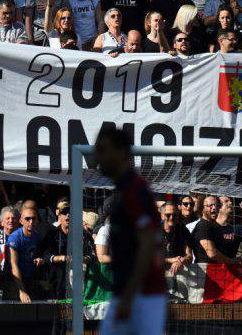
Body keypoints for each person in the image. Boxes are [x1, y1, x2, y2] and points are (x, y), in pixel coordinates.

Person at [95, 128, 166, 335]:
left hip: (142, 297)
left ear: (121, 152)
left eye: (102, 150)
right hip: (130, 294)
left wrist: (128, 296)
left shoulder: (135, 191)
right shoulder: (124, 190)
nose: (97, 156)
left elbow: (148, 245)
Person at [7, 206, 43, 302]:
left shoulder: (37, 236)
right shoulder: (15, 238)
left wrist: (40, 258)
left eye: (34, 218)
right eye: (27, 219)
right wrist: (22, 290)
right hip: (15, 282)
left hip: (31, 279)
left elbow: (38, 254)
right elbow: (13, 264)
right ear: (21, 221)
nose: (31, 221)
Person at [191, 196, 236, 263]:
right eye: (210, 205)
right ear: (202, 208)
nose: (214, 208)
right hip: (207, 270)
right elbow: (212, 253)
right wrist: (231, 261)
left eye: (216, 205)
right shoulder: (203, 226)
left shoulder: (213, 226)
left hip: (217, 270)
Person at [161, 203, 192, 275]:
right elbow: (149, 258)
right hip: (158, 273)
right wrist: (171, 260)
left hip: (178, 273)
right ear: (162, 216)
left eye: (174, 215)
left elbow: (189, 256)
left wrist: (181, 260)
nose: (171, 217)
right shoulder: (155, 230)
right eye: (168, 215)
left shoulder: (183, 229)